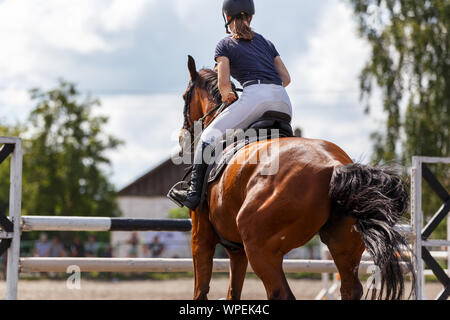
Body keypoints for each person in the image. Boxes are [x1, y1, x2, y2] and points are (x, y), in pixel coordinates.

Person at [170, 0, 292, 210]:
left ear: (226, 18)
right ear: (251, 17)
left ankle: (192, 196)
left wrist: (229, 96)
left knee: (207, 137)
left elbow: (223, 84)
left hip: (255, 96)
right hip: (283, 101)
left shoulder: (225, 44)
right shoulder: (267, 42)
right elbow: (286, 78)